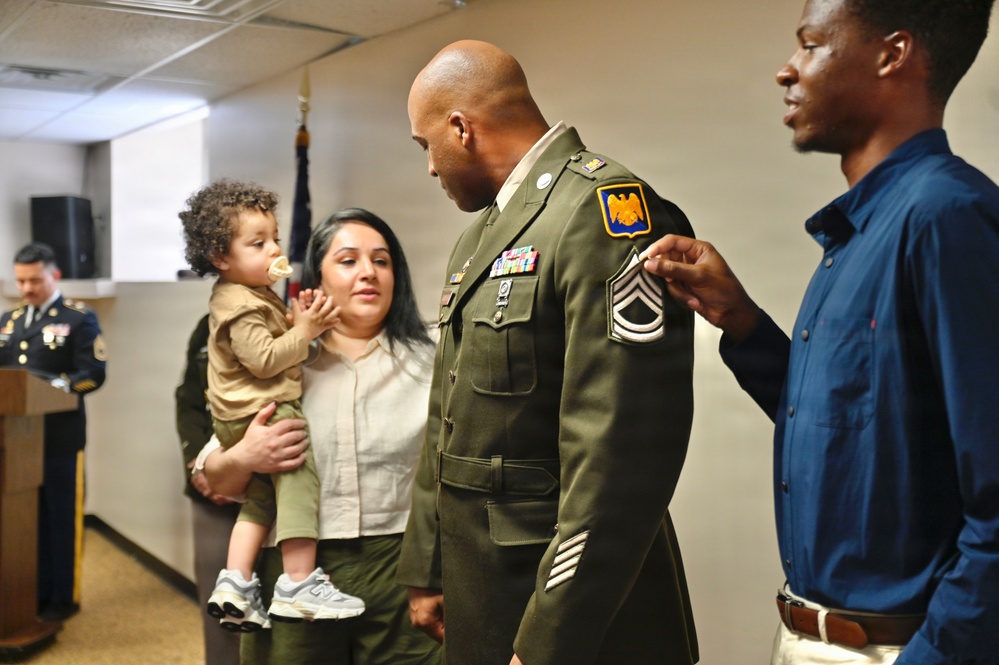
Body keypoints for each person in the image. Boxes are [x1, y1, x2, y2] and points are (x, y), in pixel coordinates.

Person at [642, 1, 999, 663]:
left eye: (809, 45)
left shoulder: (943, 216)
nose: (787, 70)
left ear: (891, 55)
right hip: (808, 637)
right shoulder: (859, 232)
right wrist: (740, 321)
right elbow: (855, 430)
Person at [398, 40, 698, 665]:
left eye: (426, 145)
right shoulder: (478, 239)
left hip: (570, 608)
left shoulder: (605, 212)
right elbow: (445, 415)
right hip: (481, 584)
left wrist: (547, 642)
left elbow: (620, 458)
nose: (430, 167)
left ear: (461, 128)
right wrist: (426, 564)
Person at [197, 208, 442, 665]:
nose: (368, 272)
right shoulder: (277, 360)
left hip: (404, 564)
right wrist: (246, 455)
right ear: (317, 279)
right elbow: (216, 477)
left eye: (382, 261)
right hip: (297, 568)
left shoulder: (433, 358)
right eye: (348, 260)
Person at [179, 179, 361, 632]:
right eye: (258, 242)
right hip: (264, 412)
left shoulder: (248, 293)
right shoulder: (238, 303)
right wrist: (305, 331)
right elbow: (263, 361)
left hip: (239, 416)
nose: (275, 249)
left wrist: (296, 323)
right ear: (221, 258)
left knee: (260, 499)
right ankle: (298, 583)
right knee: (300, 478)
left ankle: (236, 583)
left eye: (275, 237)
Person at [0, 242, 107, 622]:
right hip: (16, 443)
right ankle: (31, 590)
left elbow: (92, 376)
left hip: (60, 439)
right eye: (20, 281)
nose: (26, 289)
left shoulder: (80, 318)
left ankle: (63, 597)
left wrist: (51, 388)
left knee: (61, 519)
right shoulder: (8, 321)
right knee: (23, 519)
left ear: (54, 275)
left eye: (34, 280)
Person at [175, 312, 241, 665]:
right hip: (209, 490)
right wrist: (198, 466)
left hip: (269, 490)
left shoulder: (284, 320)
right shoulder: (207, 323)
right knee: (218, 598)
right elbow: (187, 400)